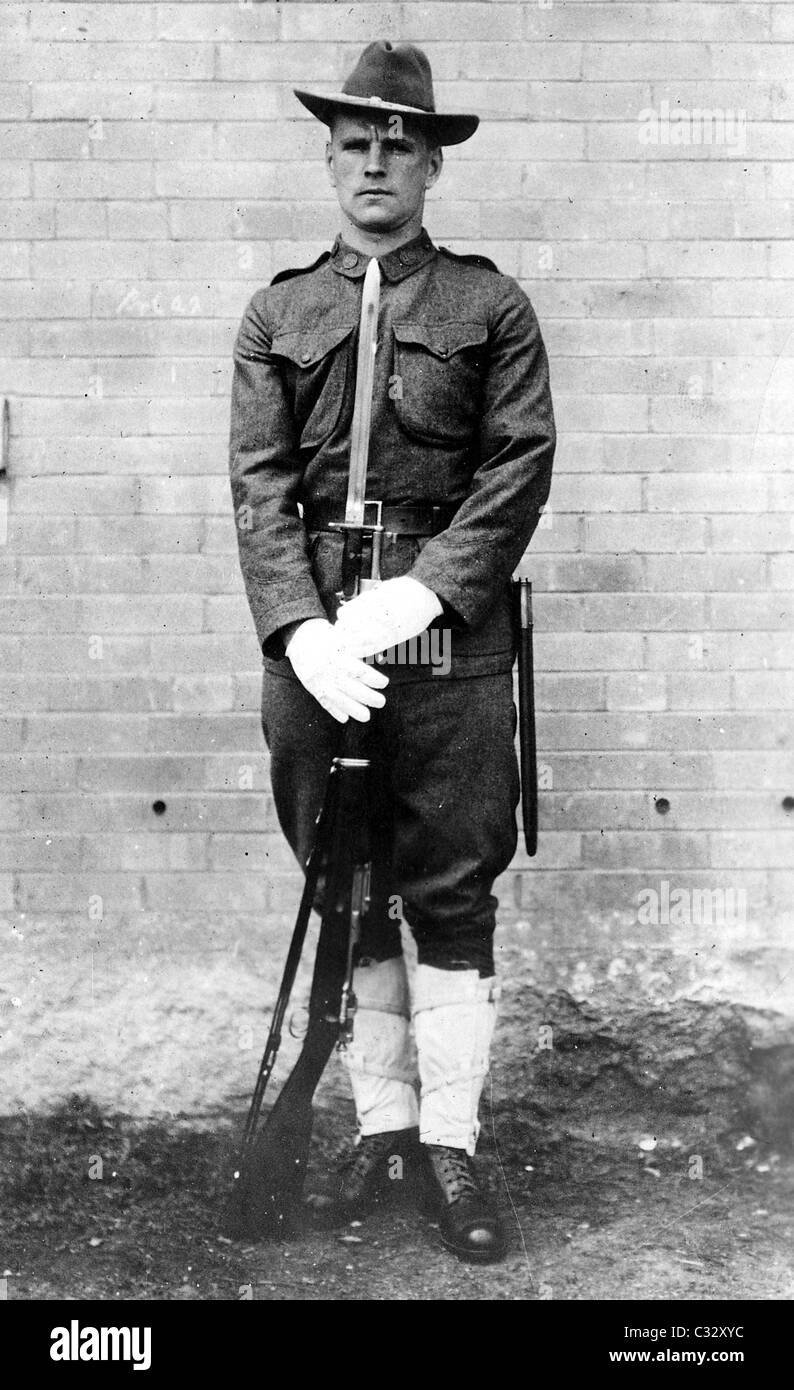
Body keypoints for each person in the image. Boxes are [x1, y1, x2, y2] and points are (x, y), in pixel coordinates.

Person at [229, 40, 555, 1264]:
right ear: (327, 159)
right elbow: (258, 487)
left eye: (398, 142)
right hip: (317, 649)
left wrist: (425, 592)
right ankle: (382, 1127)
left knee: (450, 891)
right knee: (346, 886)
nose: (375, 159)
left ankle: (454, 1143)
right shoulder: (280, 311)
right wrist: (298, 628)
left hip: (446, 646)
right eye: (353, 141)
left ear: (430, 166)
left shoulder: (487, 305)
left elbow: (516, 465)